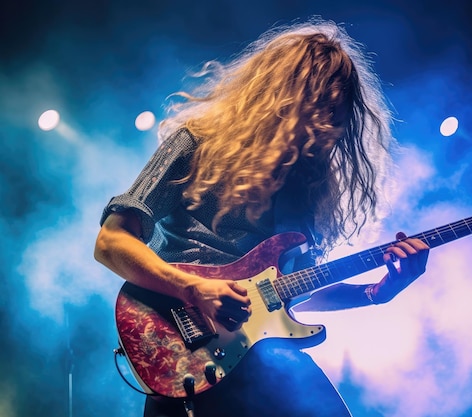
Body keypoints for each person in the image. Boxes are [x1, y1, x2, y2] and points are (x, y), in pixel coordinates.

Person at [94, 18, 429, 417]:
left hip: (266, 356)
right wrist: (193, 289)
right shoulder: (196, 144)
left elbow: (291, 294)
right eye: (321, 111)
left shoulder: (306, 189)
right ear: (283, 99)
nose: (329, 130)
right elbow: (111, 242)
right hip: (184, 349)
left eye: (338, 117)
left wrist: (375, 293)